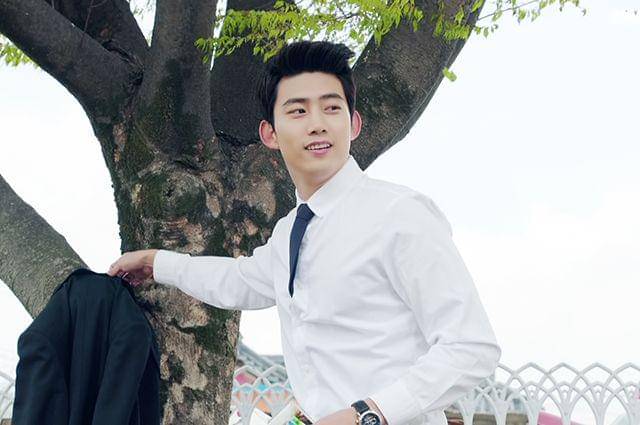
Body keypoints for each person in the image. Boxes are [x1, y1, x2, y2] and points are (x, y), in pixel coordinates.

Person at [107, 40, 501, 425]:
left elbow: (471, 347)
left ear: (354, 124)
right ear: (270, 134)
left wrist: (367, 414)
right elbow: (239, 280)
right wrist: (158, 263)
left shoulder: (399, 214)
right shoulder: (291, 232)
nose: (317, 124)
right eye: (298, 111)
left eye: (332, 108)